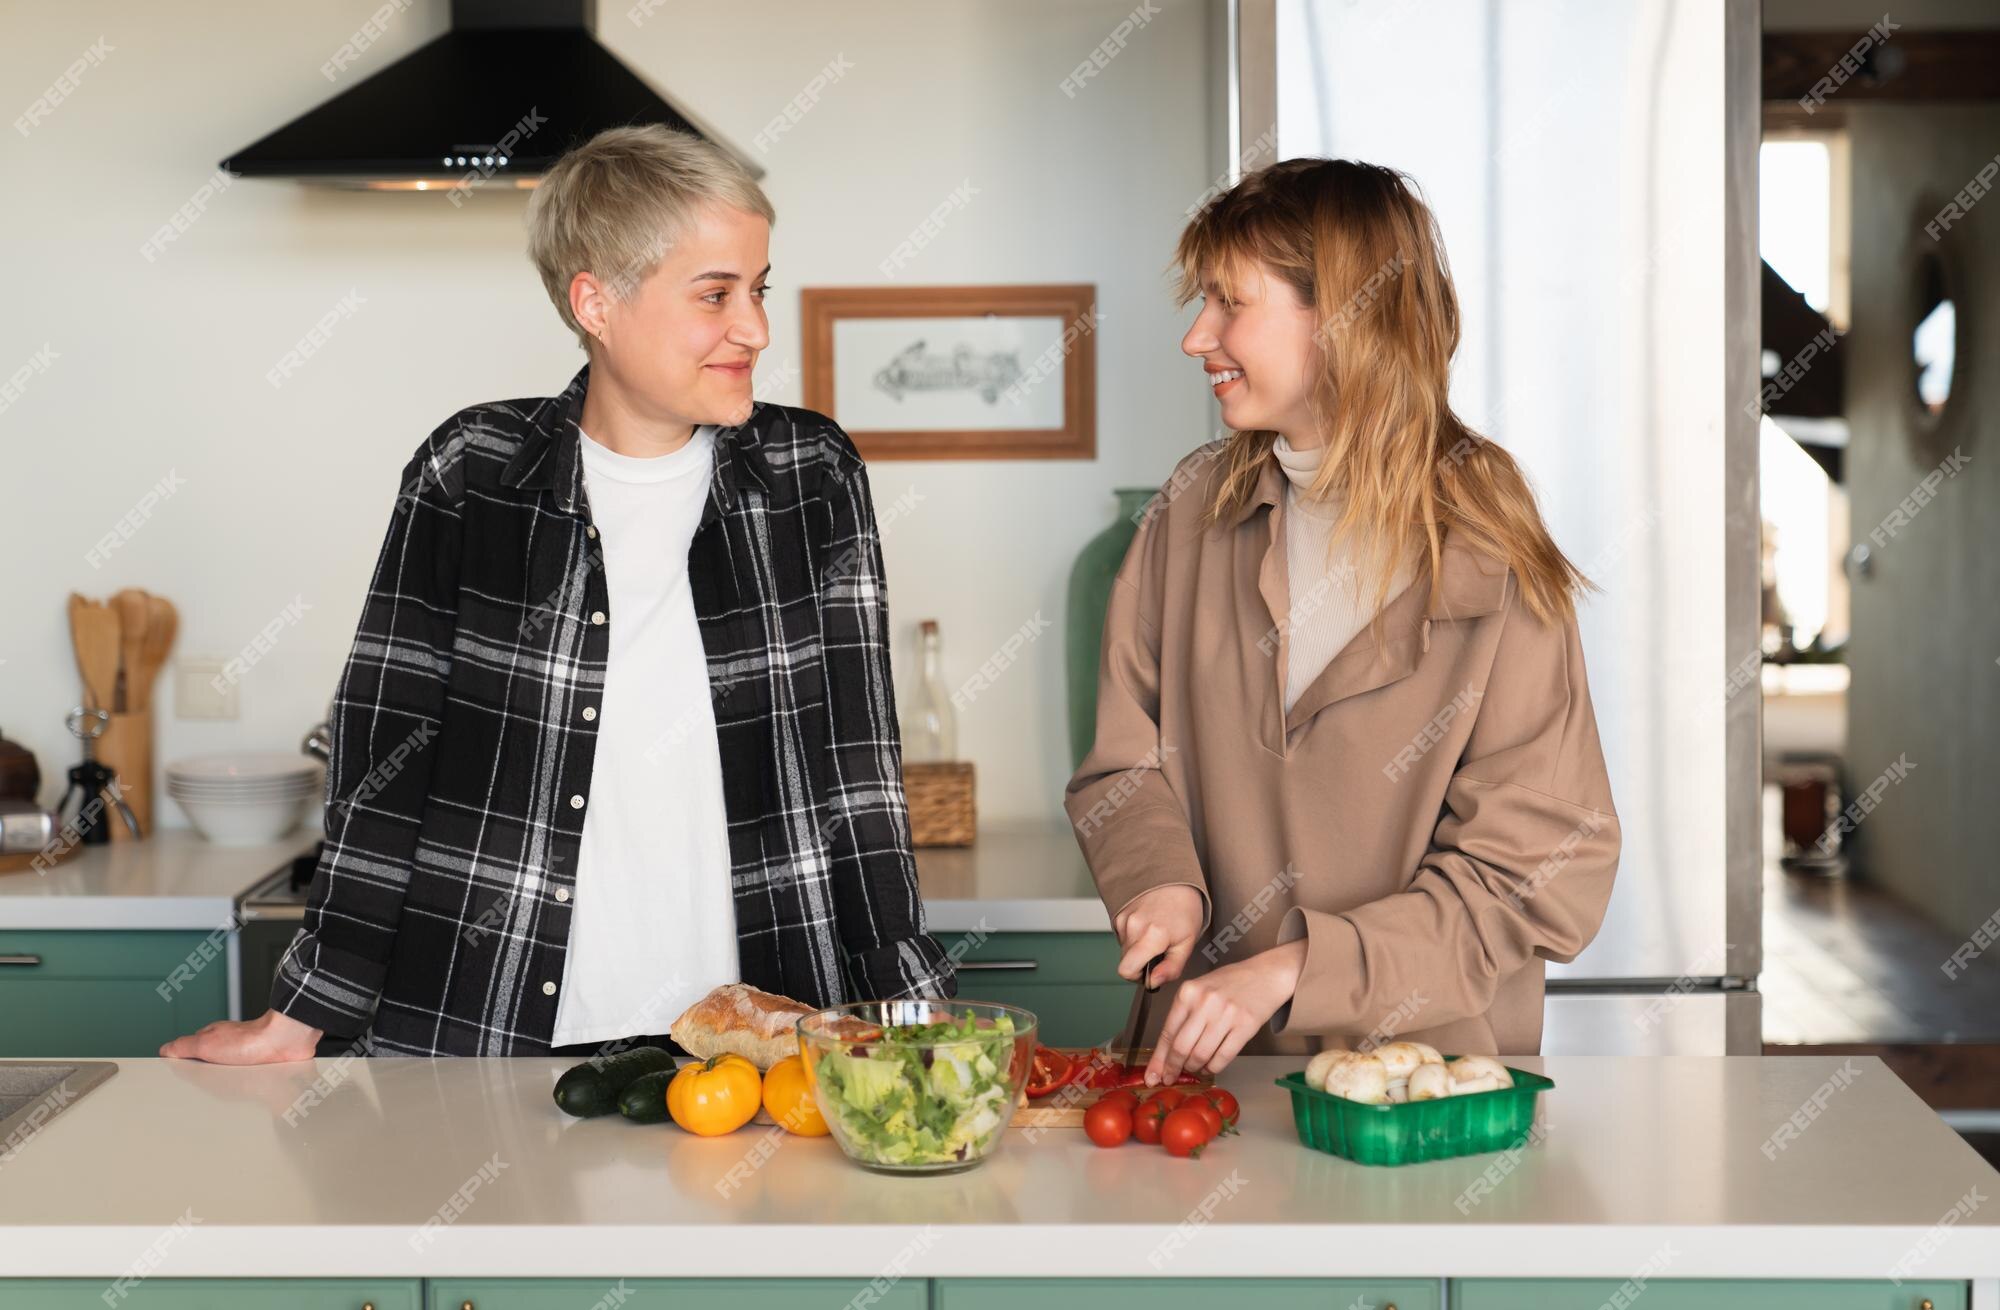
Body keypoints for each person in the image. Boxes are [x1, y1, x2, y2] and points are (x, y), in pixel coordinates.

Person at [163, 125, 954, 1063]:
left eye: (758, 289)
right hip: (485, 1023)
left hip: (766, 1036)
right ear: (597, 303)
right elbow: (386, 760)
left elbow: (857, 768)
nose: (756, 328)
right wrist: (301, 1016)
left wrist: (913, 1008)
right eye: (715, 294)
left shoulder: (810, 473)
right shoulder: (473, 472)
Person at [1066, 157, 1620, 1085]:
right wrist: (1157, 877)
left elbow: (1536, 872)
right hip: (1206, 1085)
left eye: (1228, 303)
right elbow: (1125, 761)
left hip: (1424, 1091)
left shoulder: (1488, 541)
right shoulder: (1192, 507)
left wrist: (1296, 970)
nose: (1196, 337)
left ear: (1346, 317)